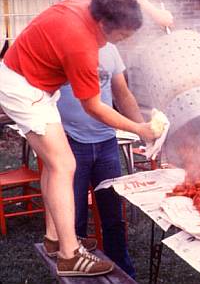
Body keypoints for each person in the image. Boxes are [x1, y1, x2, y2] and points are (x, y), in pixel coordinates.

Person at [0, 0, 173, 276]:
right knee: (64, 164)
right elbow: (94, 108)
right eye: (121, 36)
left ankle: (55, 240)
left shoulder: (95, 2)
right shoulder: (81, 45)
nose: (122, 42)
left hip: (27, 76)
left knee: (56, 167)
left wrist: (155, 12)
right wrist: (139, 129)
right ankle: (70, 255)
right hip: (23, 87)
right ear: (105, 24)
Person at [57, 43, 138, 277]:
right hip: (71, 142)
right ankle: (77, 270)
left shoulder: (110, 49)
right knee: (74, 217)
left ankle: (121, 270)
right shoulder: (64, 46)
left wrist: (143, 129)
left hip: (106, 143)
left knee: (113, 215)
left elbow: (122, 93)